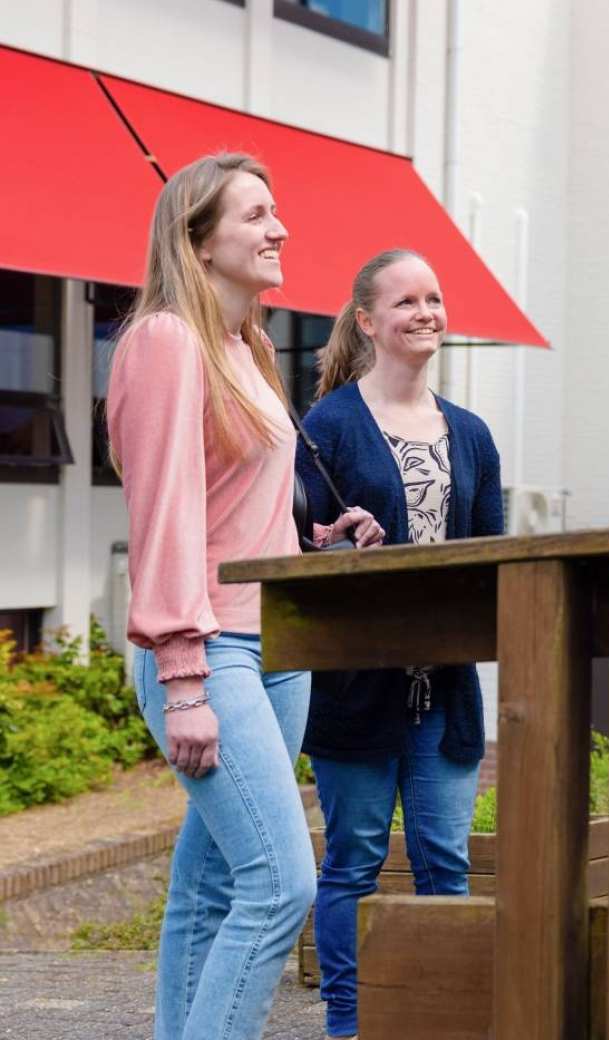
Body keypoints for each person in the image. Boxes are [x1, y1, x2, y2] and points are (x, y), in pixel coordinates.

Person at [107, 152, 384, 1040]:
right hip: (209, 649)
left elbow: (232, 507)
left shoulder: (245, 345)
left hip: (276, 648)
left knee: (214, 883)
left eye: (278, 211)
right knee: (280, 883)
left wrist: (312, 538)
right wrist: (182, 676)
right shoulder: (165, 342)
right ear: (199, 240)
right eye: (257, 214)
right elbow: (164, 516)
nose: (281, 229)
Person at [296, 249, 503, 1040]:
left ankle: (436, 1017)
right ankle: (349, 1023)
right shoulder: (328, 428)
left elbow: (492, 558)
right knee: (352, 857)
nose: (426, 312)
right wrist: (334, 548)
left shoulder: (473, 436)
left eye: (435, 298)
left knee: (445, 864)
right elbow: (300, 549)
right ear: (368, 321)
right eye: (406, 301)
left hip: (445, 691)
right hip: (355, 688)